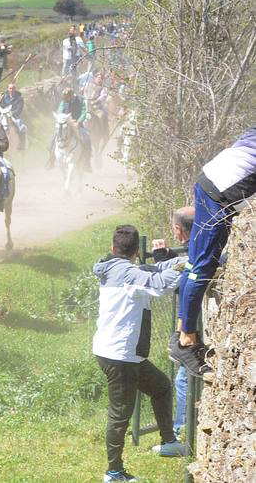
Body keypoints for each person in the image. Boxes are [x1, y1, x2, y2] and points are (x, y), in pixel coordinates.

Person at [93, 224, 188, 483]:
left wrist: (168, 259)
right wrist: (189, 265)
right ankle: (114, 473)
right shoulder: (129, 275)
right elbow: (160, 284)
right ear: (137, 250)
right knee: (120, 414)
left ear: (113, 248)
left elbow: (154, 271)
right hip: (120, 355)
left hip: (120, 352)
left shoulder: (116, 268)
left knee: (161, 387)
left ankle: (168, 442)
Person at [170, 127, 256, 379]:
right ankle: (187, 341)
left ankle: (180, 331)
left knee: (194, 264)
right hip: (222, 193)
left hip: (209, 178)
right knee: (203, 268)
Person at [150, 206, 194, 438]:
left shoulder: (195, 252)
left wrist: (161, 259)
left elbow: (171, 279)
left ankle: (182, 429)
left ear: (178, 230)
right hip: (193, 325)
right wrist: (168, 257)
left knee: (183, 379)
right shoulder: (208, 244)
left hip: (191, 328)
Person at [47, 87, 92, 172]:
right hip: (65, 124)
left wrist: (78, 122)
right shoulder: (64, 101)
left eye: (67, 97)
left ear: (71, 95)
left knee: (87, 137)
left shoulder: (80, 100)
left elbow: (84, 113)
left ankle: (87, 162)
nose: (65, 99)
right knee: (52, 139)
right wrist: (61, 118)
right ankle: (51, 160)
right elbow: (60, 110)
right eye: (64, 97)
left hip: (77, 125)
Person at [0, 83, 27, 150]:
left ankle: (22, 145)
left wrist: (12, 113)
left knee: (22, 127)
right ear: (8, 89)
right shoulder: (4, 97)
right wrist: (3, 111)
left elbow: (19, 109)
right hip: (4, 114)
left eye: (13, 88)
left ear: (15, 89)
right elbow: (1, 105)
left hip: (14, 116)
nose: (11, 90)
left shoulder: (19, 98)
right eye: (10, 88)